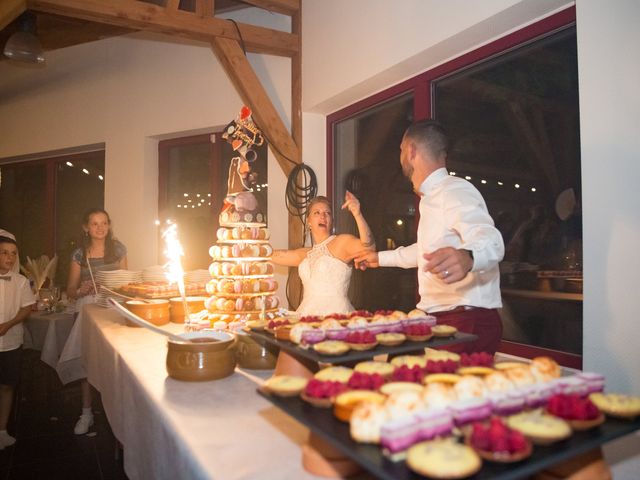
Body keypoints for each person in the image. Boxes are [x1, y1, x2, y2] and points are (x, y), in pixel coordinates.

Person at [354, 120, 504, 354]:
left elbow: (491, 239)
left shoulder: (453, 190)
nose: (400, 156)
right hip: (447, 317)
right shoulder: (432, 198)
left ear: (411, 151)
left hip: (464, 319)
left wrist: (469, 257)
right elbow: (423, 251)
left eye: (401, 150)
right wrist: (378, 259)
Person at [271, 191, 374, 375]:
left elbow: (369, 248)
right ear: (309, 221)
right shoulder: (305, 253)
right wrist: (249, 248)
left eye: (327, 213)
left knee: (337, 375)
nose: (323, 216)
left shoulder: (341, 243)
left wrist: (357, 214)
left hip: (337, 318)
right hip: (306, 317)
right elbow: (275, 255)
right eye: (317, 213)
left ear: (331, 221)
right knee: (304, 375)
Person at [65, 208, 127, 435]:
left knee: (114, 360)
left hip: (112, 309)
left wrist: (115, 287)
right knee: (87, 362)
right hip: (87, 309)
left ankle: (117, 413)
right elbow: (70, 290)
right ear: (86, 227)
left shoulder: (119, 249)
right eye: (94, 224)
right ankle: (86, 412)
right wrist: (80, 289)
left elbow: (126, 283)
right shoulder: (79, 254)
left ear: (109, 226)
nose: (100, 228)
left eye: (104, 223)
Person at [0, 235, 36, 450]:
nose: (10, 257)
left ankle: (2, 430)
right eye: (4, 252)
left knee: (7, 385)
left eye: (13, 253)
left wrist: (9, 324)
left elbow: (26, 308)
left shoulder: (21, 281)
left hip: (11, 342)